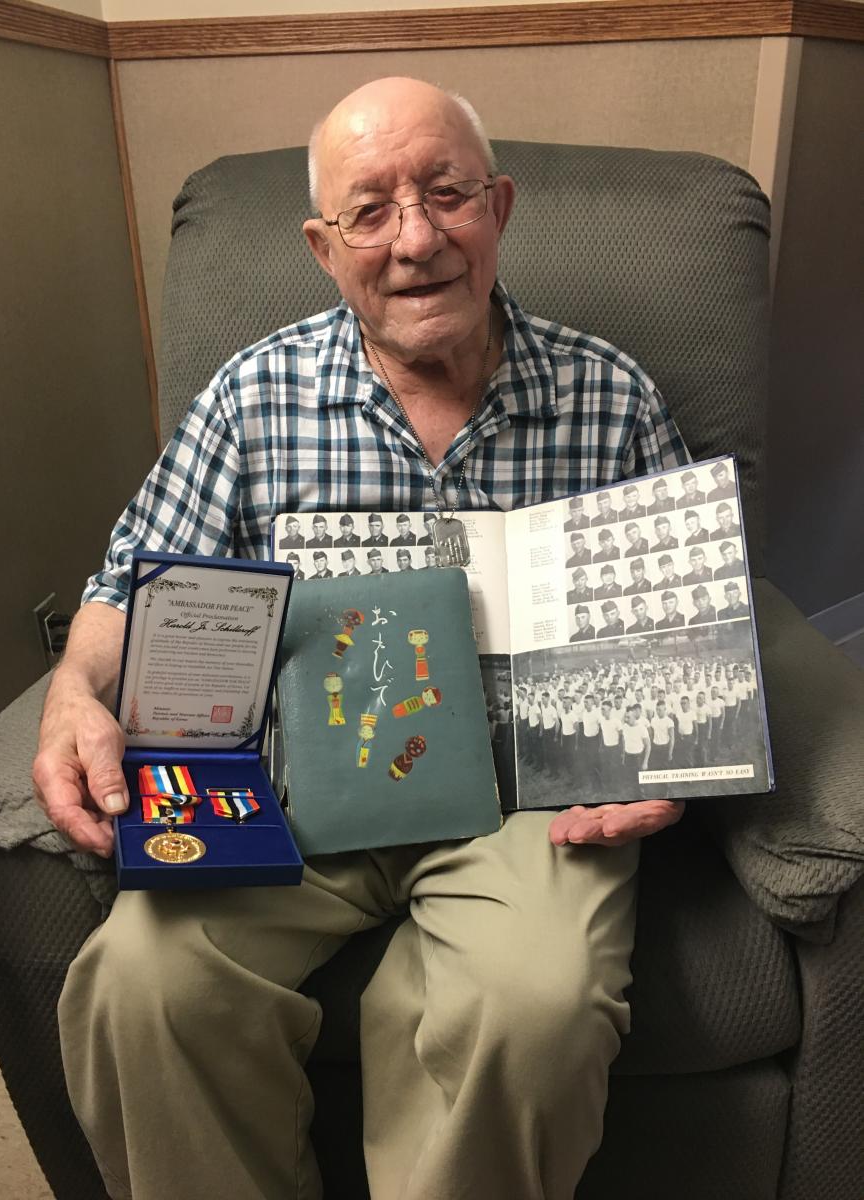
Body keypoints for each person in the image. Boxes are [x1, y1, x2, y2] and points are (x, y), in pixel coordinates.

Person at [36, 79, 688, 1200]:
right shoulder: (254, 396)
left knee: (533, 1003)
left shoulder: (610, 397)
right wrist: (74, 694)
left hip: (520, 801)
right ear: (322, 246)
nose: (418, 239)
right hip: (295, 795)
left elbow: (690, 625)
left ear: (501, 207)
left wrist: (680, 757)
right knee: (140, 987)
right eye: (371, 211)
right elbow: (130, 579)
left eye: (449, 194)